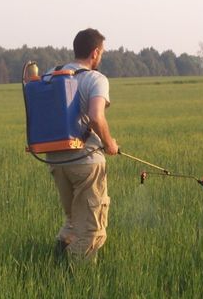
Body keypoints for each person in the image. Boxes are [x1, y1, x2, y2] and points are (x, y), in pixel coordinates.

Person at [46, 28, 119, 262]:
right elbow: (96, 116)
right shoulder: (95, 79)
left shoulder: (52, 74)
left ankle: (54, 263)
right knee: (91, 229)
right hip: (86, 161)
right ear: (95, 52)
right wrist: (109, 144)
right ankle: (74, 277)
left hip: (56, 159)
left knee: (73, 220)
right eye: (102, 53)